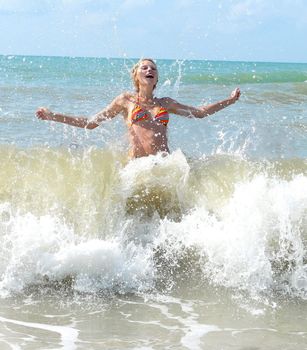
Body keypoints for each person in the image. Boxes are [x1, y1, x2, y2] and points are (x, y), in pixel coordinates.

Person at [36, 58, 241, 158]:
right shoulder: (125, 100)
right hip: (137, 167)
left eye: (153, 68)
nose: (149, 69)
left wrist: (229, 100)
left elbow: (200, 113)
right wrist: (52, 115)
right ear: (136, 76)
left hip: (162, 166)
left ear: (157, 78)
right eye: (145, 67)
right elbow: (91, 123)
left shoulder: (165, 103)